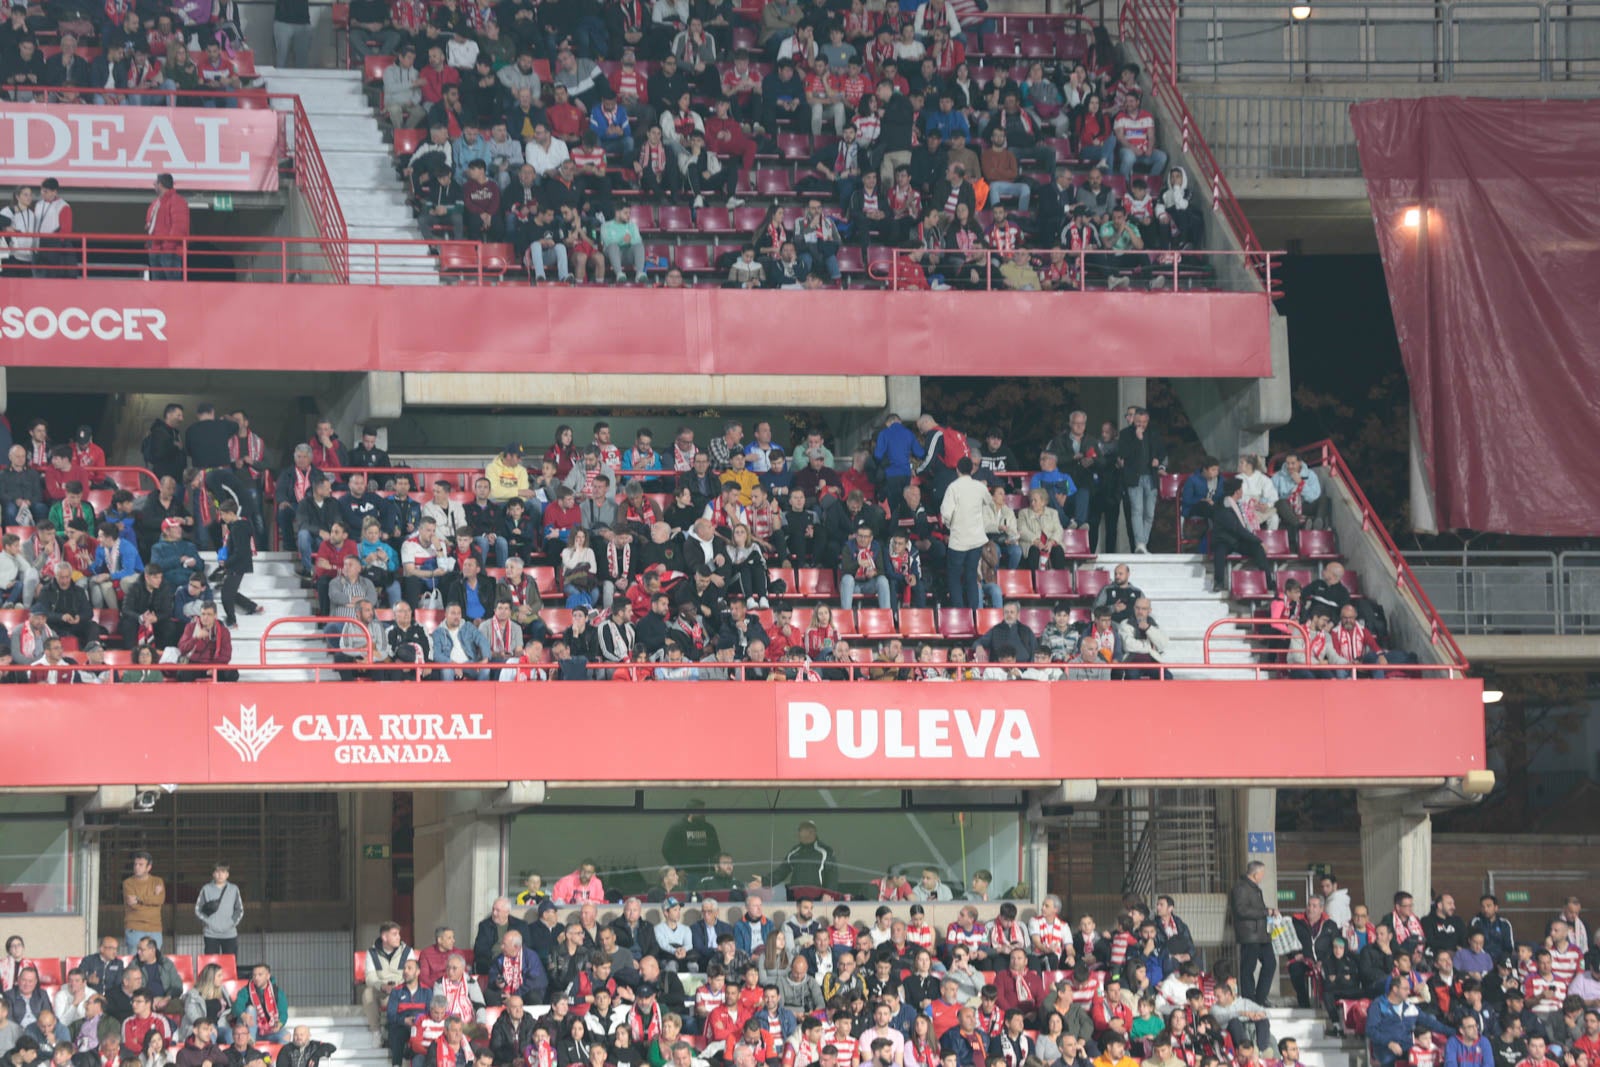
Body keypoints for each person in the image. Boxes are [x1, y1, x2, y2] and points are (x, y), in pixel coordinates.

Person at [940, 457, 987, 611]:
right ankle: (974, 614)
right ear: (972, 470)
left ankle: (960, 613)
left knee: (954, 578)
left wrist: (950, 525)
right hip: (976, 540)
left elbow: (946, 514)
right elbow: (989, 502)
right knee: (971, 576)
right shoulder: (979, 487)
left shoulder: (953, 487)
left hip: (958, 540)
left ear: (957, 469)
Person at [1230, 860, 1273, 1005]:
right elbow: (1241, 910)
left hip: (1261, 935)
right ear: (1255, 874)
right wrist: (1265, 912)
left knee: (1270, 963)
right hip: (1249, 935)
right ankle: (1249, 999)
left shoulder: (1254, 888)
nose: (1263, 876)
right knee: (1248, 968)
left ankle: (1260, 997)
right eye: (1262, 873)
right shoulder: (1241, 888)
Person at [145, 175, 189, 281]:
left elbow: (179, 227)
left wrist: (167, 246)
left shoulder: (177, 201)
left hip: (169, 252)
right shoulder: (156, 203)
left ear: (160, 184)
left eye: (155, 182)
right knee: (159, 290)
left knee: (172, 289)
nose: (153, 184)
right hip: (156, 251)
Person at [192, 864, 243, 956]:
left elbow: (239, 910)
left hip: (230, 934)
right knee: (211, 964)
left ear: (227, 874)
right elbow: (197, 910)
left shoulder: (234, 889)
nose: (220, 875)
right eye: (217, 872)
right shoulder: (206, 889)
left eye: (223, 872)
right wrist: (208, 922)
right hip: (210, 934)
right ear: (213, 874)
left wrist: (231, 923)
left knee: (229, 965)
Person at [232, 965, 288, 1043]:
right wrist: (243, 1015)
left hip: (270, 1030)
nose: (256, 978)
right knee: (250, 1009)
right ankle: (250, 1043)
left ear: (268, 976)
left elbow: (283, 1013)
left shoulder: (277, 992)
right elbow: (236, 1007)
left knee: (286, 1035)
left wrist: (279, 1024)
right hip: (249, 1030)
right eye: (254, 975)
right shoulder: (246, 990)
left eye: (260, 975)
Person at [123, 852, 166, 953]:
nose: (137, 867)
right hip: (135, 928)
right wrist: (152, 900)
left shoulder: (158, 881)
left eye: (141, 865)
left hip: (155, 929)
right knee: (135, 962)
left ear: (149, 867)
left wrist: (138, 899)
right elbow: (134, 907)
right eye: (135, 864)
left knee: (154, 962)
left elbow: (159, 900)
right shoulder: (128, 883)